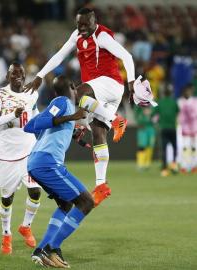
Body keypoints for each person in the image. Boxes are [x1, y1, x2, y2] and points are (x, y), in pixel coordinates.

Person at [24, 7, 136, 207]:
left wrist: (132, 82)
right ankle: (101, 185)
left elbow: (126, 56)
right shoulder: (76, 35)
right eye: (79, 24)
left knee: (78, 94)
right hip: (102, 92)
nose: (82, 28)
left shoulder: (102, 37)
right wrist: (40, 76)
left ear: (94, 22)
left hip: (109, 84)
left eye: (86, 24)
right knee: (98, 134)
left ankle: (116, 119)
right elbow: (59, 56)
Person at [24, 75, 92, 268]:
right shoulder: (62, 102)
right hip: (47, 162)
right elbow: (35, 125)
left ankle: (41, 250)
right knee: (86, 202)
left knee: (65, 204)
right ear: (72, 86)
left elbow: (31, 126)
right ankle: (51, 248)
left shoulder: (59, 105)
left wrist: (71, 131)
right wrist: (72, 117)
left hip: (38, 162)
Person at [0, 63, 41, 254]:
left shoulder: (32, 94)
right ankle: (6, 234)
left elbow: (35, 116)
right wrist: (12, 114)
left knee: (35, 190)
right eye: (13, 73)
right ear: (7, 76)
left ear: (25, 76)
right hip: (7, 154)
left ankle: (26, 225)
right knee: (7, 198)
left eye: (20, 73)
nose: (17, 76)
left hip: (29, 149)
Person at [153, 88, 179, 176]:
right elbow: (177, 112)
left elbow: (154, 115)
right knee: (174, 147)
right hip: (172, 128)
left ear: (163, 93)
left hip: (163, 128)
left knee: (164, 149)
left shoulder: (160, 102)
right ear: (171, 93)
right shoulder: (173, 102)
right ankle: (174, 165)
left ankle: (164, 169)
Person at [177, 84, 197, 173]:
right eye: (186, 91)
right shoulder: (179, 102)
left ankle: (194, 165)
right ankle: (184, 165)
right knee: (184, 147)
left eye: (189, 91)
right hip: (183, 128)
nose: (188, 92)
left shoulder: (195, 101)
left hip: (194, 127)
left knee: (194, 147)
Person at [134, 106, 155, 170]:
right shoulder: (139, 107)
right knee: (142, 147)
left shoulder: (152, 105)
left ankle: (147, 164)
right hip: (142, 129)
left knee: (150, 146)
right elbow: (136, 114)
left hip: (151, 129)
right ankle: (140, 164)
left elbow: (156, 114)